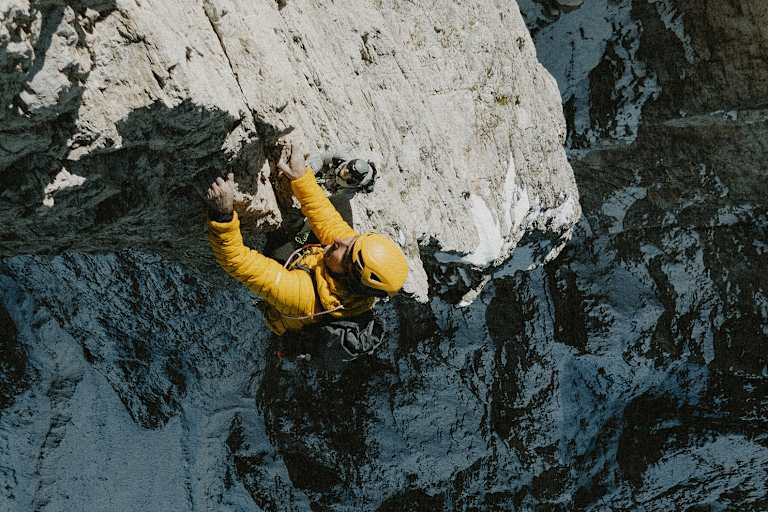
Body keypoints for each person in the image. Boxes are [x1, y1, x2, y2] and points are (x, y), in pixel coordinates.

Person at [205, 140, 409, 336]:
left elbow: (235, 260)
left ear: (347, 276)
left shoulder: (300, 297)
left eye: (346, 250)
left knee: (287, 221)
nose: (341, 241)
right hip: (317, 267)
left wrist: (222, 215)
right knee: (339, 204)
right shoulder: (353, 260)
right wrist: (301, 177)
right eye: (353, 241)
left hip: (294, 276)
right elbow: (326, 217)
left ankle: (287, 232)